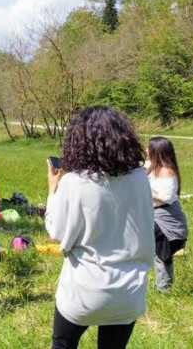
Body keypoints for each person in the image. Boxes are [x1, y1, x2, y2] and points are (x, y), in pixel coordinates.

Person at [45, 105, 154, 349]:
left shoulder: (74, 182)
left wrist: (53, 189)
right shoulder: (139, 178)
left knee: (62, 344)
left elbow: (56, 233)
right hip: (129, 290)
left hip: (84, 293)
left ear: (77, 141)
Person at [146, 136, 188, 293]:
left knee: (162, 254)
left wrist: (145, 190)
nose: (146, 150)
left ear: (158, 152)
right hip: (156, 216)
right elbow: (139, 164)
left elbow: (166, 198)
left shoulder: (167, 172)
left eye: (148, 148)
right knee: (156, 252)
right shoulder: (154, 166)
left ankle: (164, 290)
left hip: (168, 220)